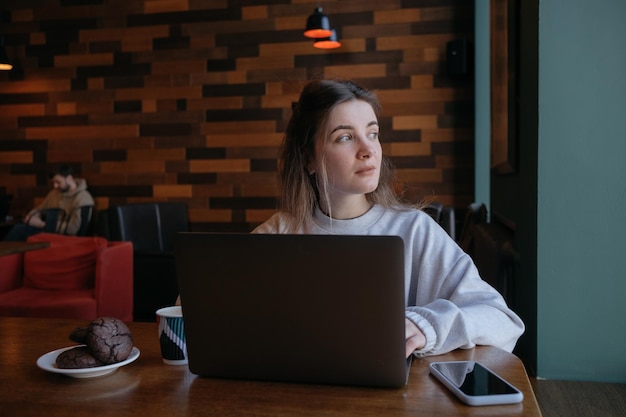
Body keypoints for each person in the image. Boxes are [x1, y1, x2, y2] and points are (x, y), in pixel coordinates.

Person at [252, 79, 525, 358]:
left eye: (372, 133)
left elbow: (502, 322)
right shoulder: (279, 232)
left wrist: (426, 326)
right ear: (308, 159)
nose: (368, 150)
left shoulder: (414, 230)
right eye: (345, 137)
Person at [3, 164, 95, 241]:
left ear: (69, 178)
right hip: (49, 231)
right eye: (53, 182)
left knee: (20, 231)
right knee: (17, 228)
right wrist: (32, 216)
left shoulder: (83, 198)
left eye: (58, 182)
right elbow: (41, 208)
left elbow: (74, 230)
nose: (55, 186)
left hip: (65, 237)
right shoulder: (54, 194)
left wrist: (42, 224)